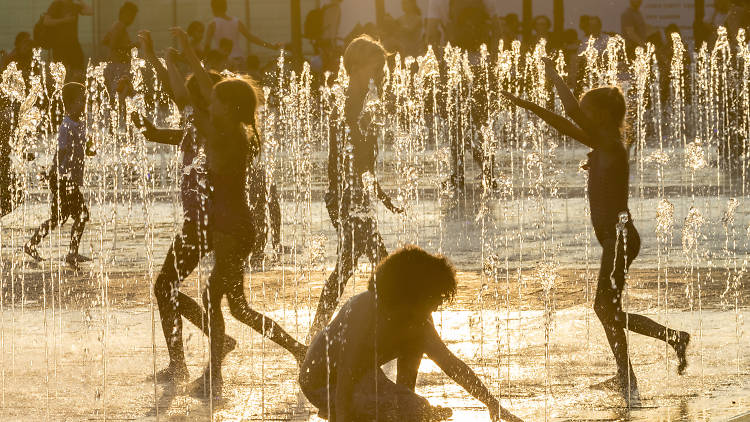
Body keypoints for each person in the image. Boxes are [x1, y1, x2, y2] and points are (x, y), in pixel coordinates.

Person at [501, 59, 690, 406]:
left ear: (601, 116)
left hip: (619, 239)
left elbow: (569, 110)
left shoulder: (612, 147)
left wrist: (553, 74)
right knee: (607, 308)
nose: (581, 118)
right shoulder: (603, 144)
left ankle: (672, 338)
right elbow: (562, 119)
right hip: (615, 240)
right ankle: (628, 372)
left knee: (605, 309)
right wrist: (530, 105)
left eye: (588, 113)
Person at [171, 26, 306, 398]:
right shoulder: (231, 131)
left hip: (233, 231)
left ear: (226, 109)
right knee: (237, 307)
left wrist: (186, 50)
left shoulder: (226, 136)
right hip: (233, 228)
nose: (206, 105)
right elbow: (199, 96)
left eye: (214, 102)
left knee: (219, 300)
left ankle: (215, 375)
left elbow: (198, 95)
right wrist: (184, 53)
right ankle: (296, 350)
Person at [299, 245, 524, 422]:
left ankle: (403, 409)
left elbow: (451, 364)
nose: (436, 307)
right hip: (321, 379)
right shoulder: (365, 309)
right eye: (434, 299)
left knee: (409, 406)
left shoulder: (418, 322)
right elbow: (345, 381)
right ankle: (398, 410)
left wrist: (492, 403)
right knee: (408, 410)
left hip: (365, 378)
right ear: (413, 293)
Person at [308, 35, 404, 337]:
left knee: (364, 264)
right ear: (358, 65)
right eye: (375, 65)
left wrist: (377, 193)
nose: (380, 72)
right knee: (375, 264)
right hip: (346, 196)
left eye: (380, 66)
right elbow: (343, 157)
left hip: (353, 195)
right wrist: (347, 194)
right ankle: (392, 326)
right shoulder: (350, 102)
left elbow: (363, 159)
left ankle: (381, 325)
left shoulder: (363, 101)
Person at [25, 83, 95, 267]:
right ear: (70, 104)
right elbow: (61, 151)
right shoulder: (66, 125)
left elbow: (82, 149)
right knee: (81, 215)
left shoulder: (80, 123)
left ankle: (32, 244)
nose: (85, 104)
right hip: (64, 179)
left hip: (68, 178)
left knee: (60, 217)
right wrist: (53, 173)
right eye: (82, 101)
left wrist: (89, 149)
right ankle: (71, 253)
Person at [204, 0, 279, 69]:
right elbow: (251, 38)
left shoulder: (212, 24)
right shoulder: (236, 21)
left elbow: (207, 46)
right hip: (239, 59)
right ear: (226, 7)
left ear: (213, 8)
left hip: (223, 61)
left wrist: (205, 62)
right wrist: (271, 46)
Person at [43, 0, 93, 80]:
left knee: (78, 71)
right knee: (61, 73)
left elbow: (90, 12)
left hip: (73, 44)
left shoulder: (74, 5)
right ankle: (64, 90)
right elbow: (46, 21)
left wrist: (81, 1)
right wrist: (64, 20)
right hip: (59, 45)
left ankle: (75, 88)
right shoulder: (57, 4)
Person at [103, 2, 139, 96]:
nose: (132, 19)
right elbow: (113, 45)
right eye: (131, 16)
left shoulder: (116, 25)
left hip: (115, 65)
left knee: (120, 93)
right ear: (124, 14)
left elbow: (105, 41)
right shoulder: (120, 26)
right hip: (118, 66)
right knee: (121, 93)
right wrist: (133, 45)